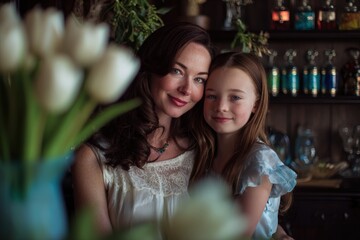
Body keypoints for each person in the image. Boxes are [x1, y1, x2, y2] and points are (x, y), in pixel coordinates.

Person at [71, 22, 215, 235]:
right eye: (177, 71)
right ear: (151, 69)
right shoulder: (93, 158)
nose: (187, 89)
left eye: (199, 79)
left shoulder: (206, 149)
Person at [193, 51, 297, 240]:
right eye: (212, 96)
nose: (221, 106)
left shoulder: (259, 160)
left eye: (235, 97)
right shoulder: (204, 153)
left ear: (255, 105)